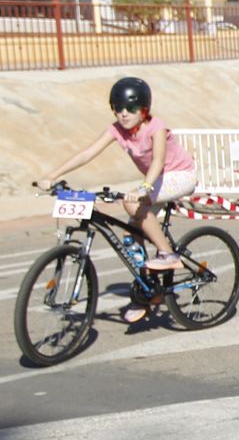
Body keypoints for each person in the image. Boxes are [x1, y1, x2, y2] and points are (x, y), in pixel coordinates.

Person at [36, 76, 200, 323]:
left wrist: (144, 187)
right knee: (131, 237)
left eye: (131, 109)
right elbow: (87, 153)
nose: (124, 114)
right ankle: (147, 293)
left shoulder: (156, 127)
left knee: (131, 203)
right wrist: (52, 175)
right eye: (118, 108)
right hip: (156, 181)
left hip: (179, 175)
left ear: (144, 109)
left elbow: (157, 161)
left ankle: (168, 254)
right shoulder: (117, 129)